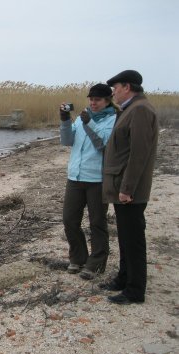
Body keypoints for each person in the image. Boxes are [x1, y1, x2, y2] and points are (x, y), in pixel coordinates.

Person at [99, 70, 159, 304]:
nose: (113, 92)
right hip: (122, 186)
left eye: (116, 87)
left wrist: (128, 188)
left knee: (133, 239)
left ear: (128, 87)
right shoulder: (130, 109)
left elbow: (139, 154)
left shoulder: (141, 110)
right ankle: (123, 279)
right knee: (125, 236)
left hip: (129, 189)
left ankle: (135, 290)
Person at [59, 83, 117, 280]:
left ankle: (96, 263)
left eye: (98, 100)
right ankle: (78, 257)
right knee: (69, 220)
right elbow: (67, 141)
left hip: (97, 179)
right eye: (91, 99)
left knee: (97, 222)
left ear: (107, 101)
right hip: (75, 177)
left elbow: (103, 145)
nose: (93, 103)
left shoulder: (112, 119)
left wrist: (89, 123)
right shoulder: (83, 115)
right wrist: (65, 120)